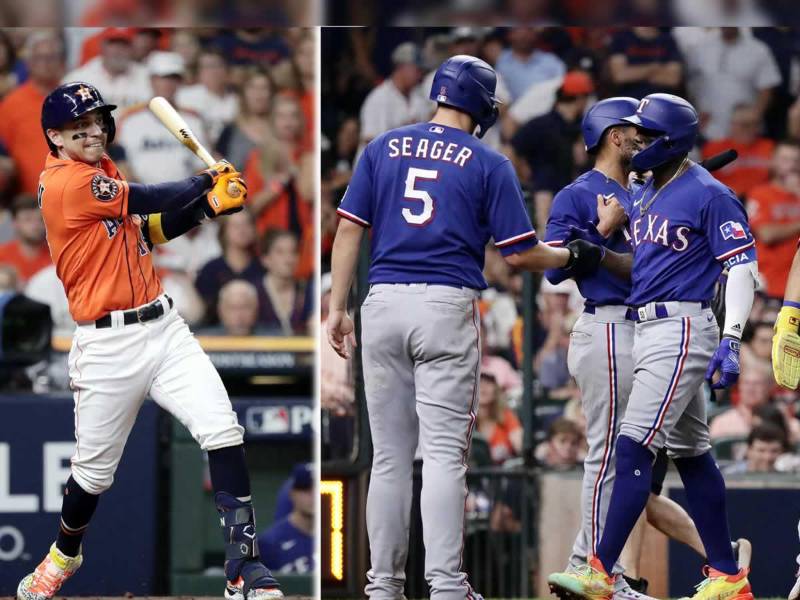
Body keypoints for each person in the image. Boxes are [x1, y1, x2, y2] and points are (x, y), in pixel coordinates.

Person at [325, 55, 603, 600]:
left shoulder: (381, 146)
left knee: (388, 458)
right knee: (445, 458)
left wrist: (338, 306)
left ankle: (382, 587)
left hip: (380, 301)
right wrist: (573, 254)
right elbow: (521, 256)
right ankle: (447, 585)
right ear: (480, 105)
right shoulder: (487, 161)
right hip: (443, 304)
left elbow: (349, 230)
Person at [16, 82, 283, 600]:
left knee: (222, 430)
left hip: (164, 328)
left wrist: (207, 205)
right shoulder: (67, 183)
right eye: (80, 126)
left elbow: (148, 230)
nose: (94, 130)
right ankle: (63, 556)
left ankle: (242, 569)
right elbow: (147, 197)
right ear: (56, 136)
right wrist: (207, 178)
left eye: (98, 120)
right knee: (93, 476)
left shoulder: (102, 171)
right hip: (106, 345)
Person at [549, 93, 758, 600]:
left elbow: (743, 268)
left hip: (682, 326)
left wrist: (732, 338)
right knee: (692, 453)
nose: (638, 142)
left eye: (648, 136)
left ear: (672, 141)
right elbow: (636, 268)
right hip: (648, 326)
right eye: (635, 134)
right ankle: (728, 575)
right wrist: (601, 240)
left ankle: (599, 570)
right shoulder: (644, 193)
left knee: (633, 442)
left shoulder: (710, 194)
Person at [0, 30, 66, 196]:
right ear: (28, 63)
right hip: (30, 205)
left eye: (52, 57)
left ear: (61, 62)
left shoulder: (76, 97)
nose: (46, 63)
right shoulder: (11, 104)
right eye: (40, 58)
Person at [747, 140, 800, 298]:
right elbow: (767, 234)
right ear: (773, 161)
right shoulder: (760, 193)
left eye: (796, 160)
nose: (791, 165)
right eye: (785, 159)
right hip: (771, 286)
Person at [358, 42, 429, 147]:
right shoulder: (379, 98)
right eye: (417, 69)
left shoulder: (419, 96)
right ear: (401, 67)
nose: (420, 74)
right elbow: (370, 141)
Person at [63, 27, 152, 111]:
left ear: (132, 49)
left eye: (124, 45)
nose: (118, 50)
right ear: (102, 46)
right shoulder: (78, 79)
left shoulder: (147, 78)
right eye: (113, 44)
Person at [701, 104, 773, 199]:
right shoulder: (713, 148)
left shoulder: (770, 147)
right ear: (732, 125)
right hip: (725, 199)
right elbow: (704, 181)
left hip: (763, 200)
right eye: (745, 125)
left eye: (756, 124)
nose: (751, 129)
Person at [257, 463, 314, 575]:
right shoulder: (269, 543)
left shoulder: (336, 539)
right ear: (292, 494)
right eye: (307, 490)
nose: (314, 496)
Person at [0, 194, 51, 285]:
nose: (35, 225)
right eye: (28, 219)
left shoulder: (55, 257)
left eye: (40, 219)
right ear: (15, 223)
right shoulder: (2, 255)